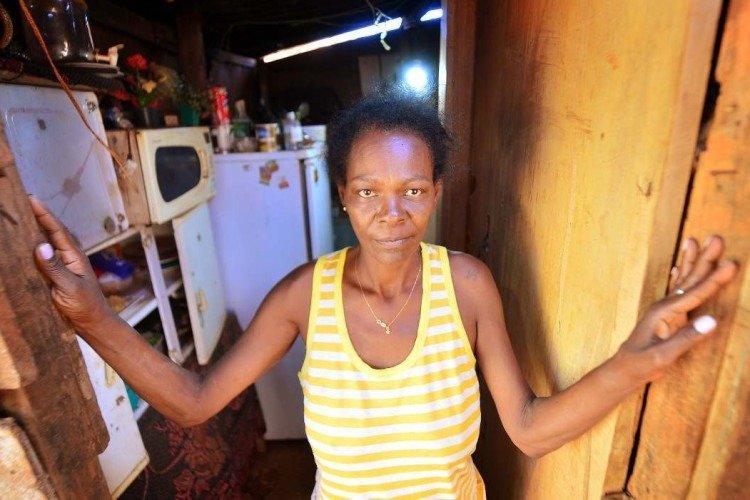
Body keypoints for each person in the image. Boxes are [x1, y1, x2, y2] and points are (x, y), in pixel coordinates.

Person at [30, 91, 738, 499]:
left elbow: (527, 427)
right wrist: (92, 314)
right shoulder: (304, 297)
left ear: (436, 193)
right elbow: (194, 402)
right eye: (368, 192)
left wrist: (633, 361)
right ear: (343, 196)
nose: (391, 213)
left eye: (412, 190)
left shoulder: (466, 285)